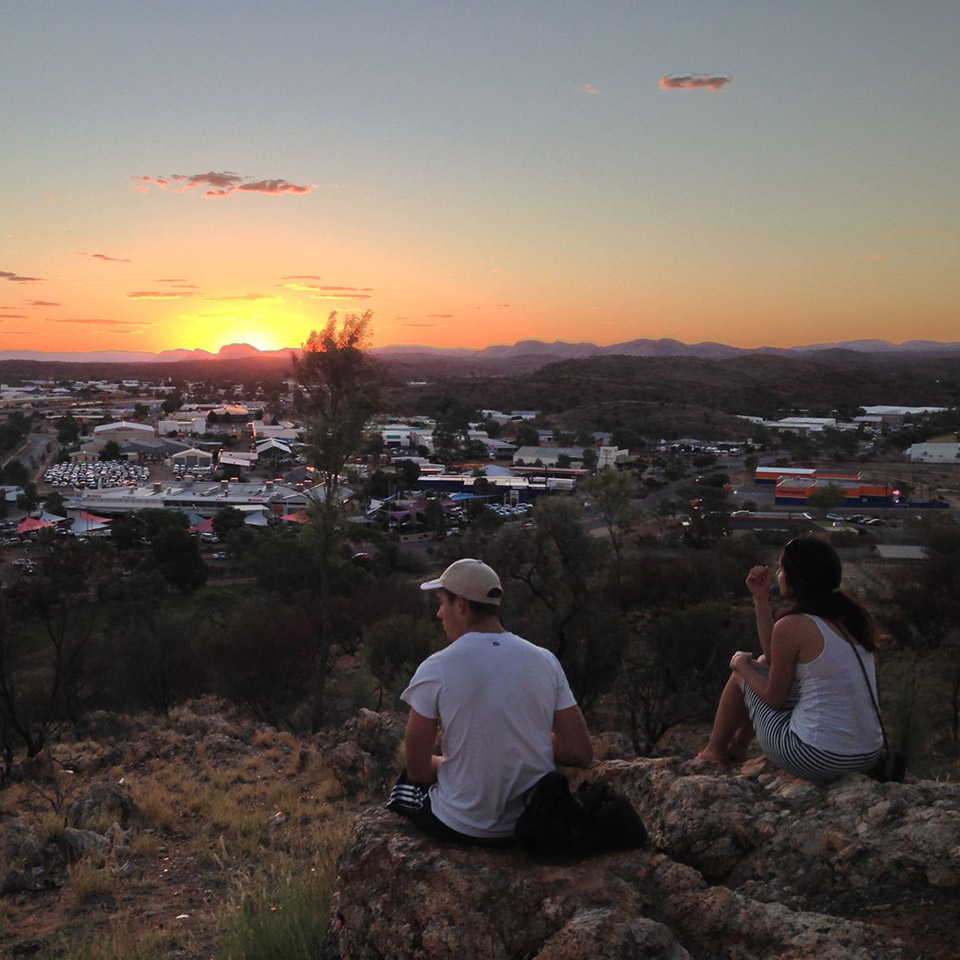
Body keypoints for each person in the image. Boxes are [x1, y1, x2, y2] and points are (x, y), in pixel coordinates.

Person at [388, 557, 593, 844]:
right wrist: (522, 740)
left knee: (403, 788)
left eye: (442, 603)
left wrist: (452, 763)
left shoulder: (437, 668)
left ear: (460, 605)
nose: (438, 614)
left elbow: (418, 770)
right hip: (532, 820)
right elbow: (580, 752)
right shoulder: (545, 660)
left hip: (463, 825)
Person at [696, 536, 883, 780]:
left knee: (744, 672)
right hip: (867, 756)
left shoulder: (795, 624)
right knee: (762, 663)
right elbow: (774, 660)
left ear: (798, 578)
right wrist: (761, 599)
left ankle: (715, 751)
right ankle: (737, 750)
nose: (778, 574)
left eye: (782, 568)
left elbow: (774, 698)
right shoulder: (852, 617)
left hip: (816, 756)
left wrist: (741, 665)